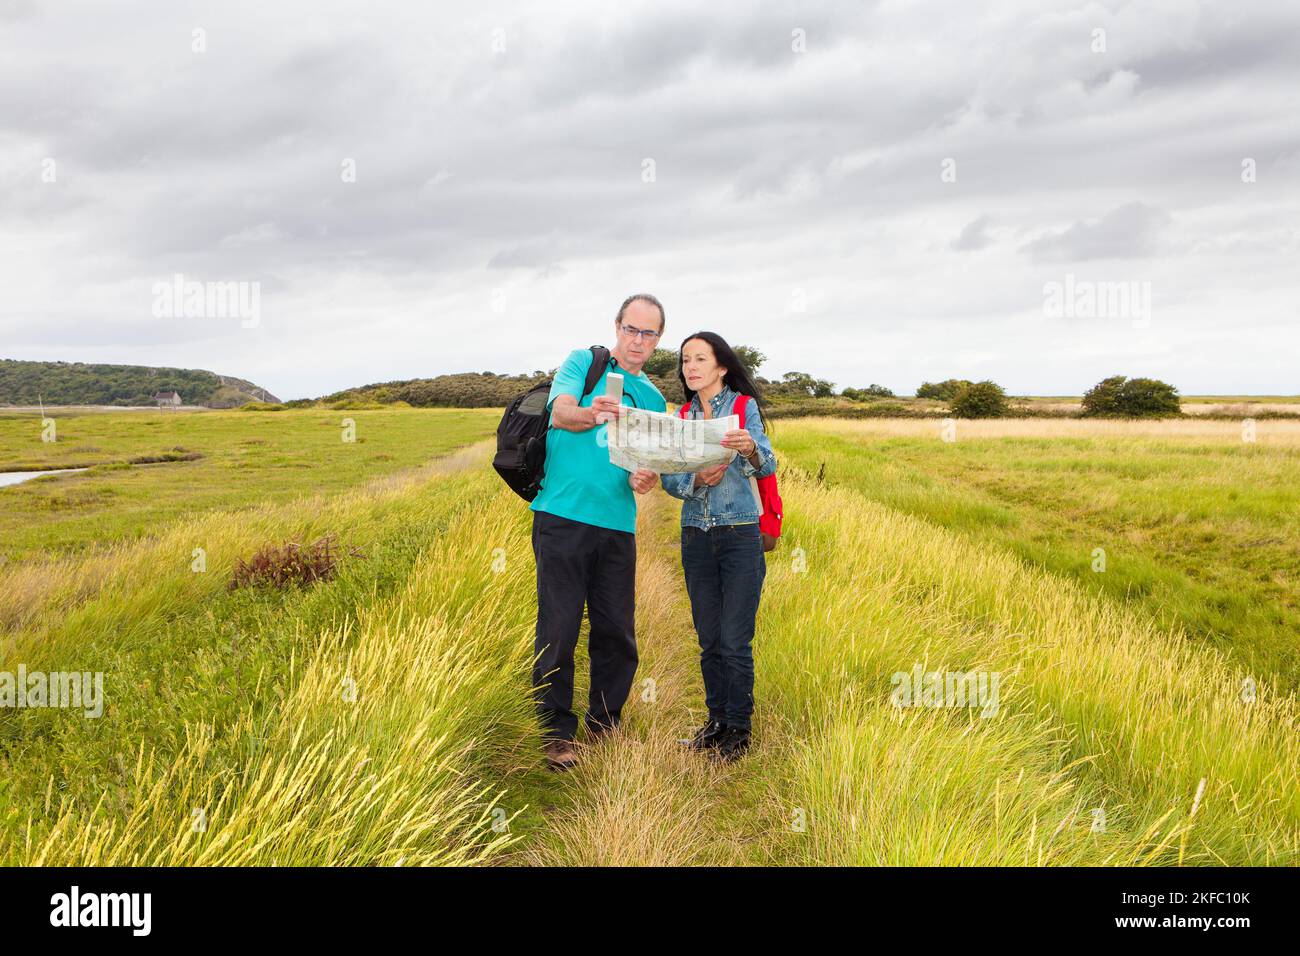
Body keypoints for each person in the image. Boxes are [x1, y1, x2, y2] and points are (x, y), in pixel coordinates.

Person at [530, 294, 666, 770]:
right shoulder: (583, 363)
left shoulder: (652, 398)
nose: (637, 341)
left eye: (648, 334)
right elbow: (561, 413)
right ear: (617, 326)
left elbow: (640, 468)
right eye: (631, 329)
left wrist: (643, 479)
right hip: (562, 516)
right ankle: (555, 731)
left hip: (616, 526)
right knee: (559, 626)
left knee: (615, 632)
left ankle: (605, 725)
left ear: (657, 341)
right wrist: (596, 412)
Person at [661, 332, 777, 762]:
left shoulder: (742, 409)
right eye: (686, 360)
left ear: (722, 366)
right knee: (709, 637)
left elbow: (768, 461)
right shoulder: (682, 416)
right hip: (696, 534)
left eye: (700, 359)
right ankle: (716, 724)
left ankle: (739, 731)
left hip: (739, 534)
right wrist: (695, 480)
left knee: (734, 639)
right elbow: (669, 478)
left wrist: (748, 448)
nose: (691, 367)